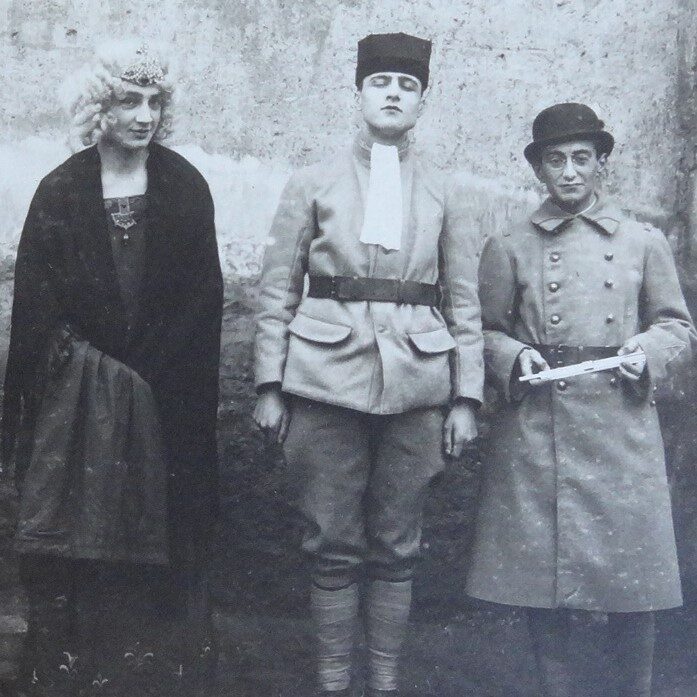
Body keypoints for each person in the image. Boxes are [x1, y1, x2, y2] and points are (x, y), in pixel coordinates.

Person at [253, 32, 484, 697]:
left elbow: (463, 298)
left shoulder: (446, 190)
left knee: (396, 542)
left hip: (417, 385)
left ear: (421, 101)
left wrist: (464, 398)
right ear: (358, 93)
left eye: (406, 86)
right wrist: (269, 383)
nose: (392, 94)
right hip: (324, 381)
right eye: (380, 82)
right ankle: (332, 680)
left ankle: (382, 681)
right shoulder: (312, 181)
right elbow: (276, 287)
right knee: (329, 538)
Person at [1, 40, 223, 696]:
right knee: (70, 525)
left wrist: (145, 370)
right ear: (100, 107)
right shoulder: (63, 189)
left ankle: (149, 671)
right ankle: (66, 665)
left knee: (162, 523)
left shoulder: (183, 187)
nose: (144, 114)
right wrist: (81, 373)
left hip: (164, 389)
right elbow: (37, 306)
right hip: (77, 396)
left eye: (155, 101)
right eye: (129, 100)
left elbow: (202, 299)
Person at [465, 102, 696, 697]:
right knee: (547, 587)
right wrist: (515, 357)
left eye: (581, 159)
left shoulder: (644, 243)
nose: (569, 172)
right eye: (556, 160)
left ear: (601, 165)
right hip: (543, 426)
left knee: (635, 585)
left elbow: (676, 325)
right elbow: (483, 330)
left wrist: (647, 350)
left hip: (622, 424)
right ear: (539, 169)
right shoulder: (509, 244)